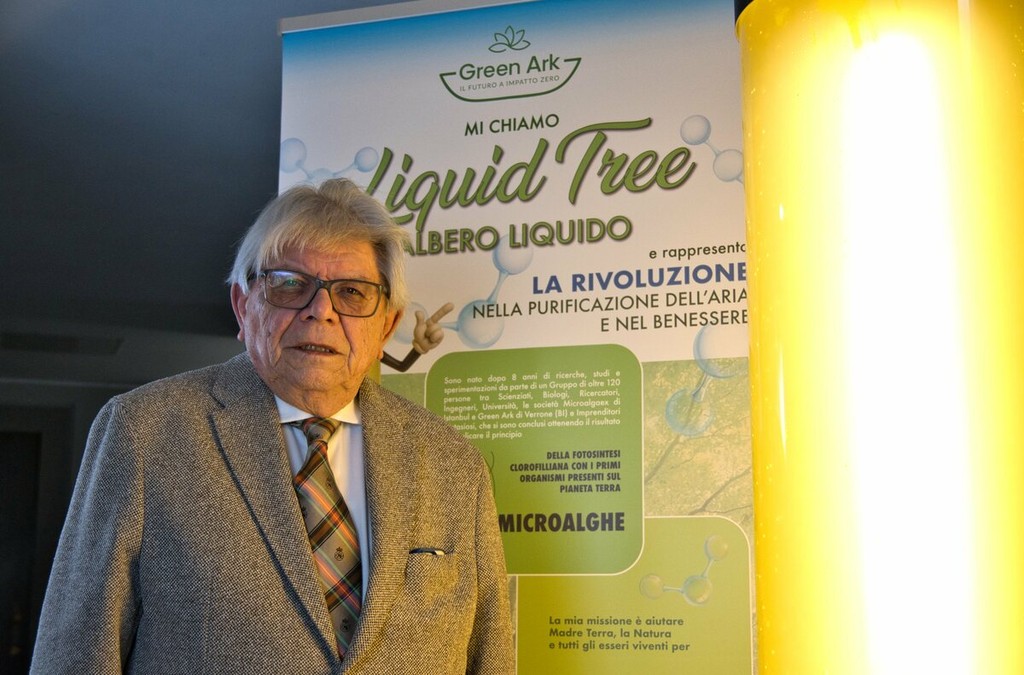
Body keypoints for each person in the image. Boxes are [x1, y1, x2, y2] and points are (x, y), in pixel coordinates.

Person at [30, 178, 515, 674]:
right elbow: (74, 657)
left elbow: (490, 658)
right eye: (290, 285)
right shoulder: (144, 433)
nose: (321, 312)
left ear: (386, 326)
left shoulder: (455, 465)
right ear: (243, 306)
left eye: (352, 292)